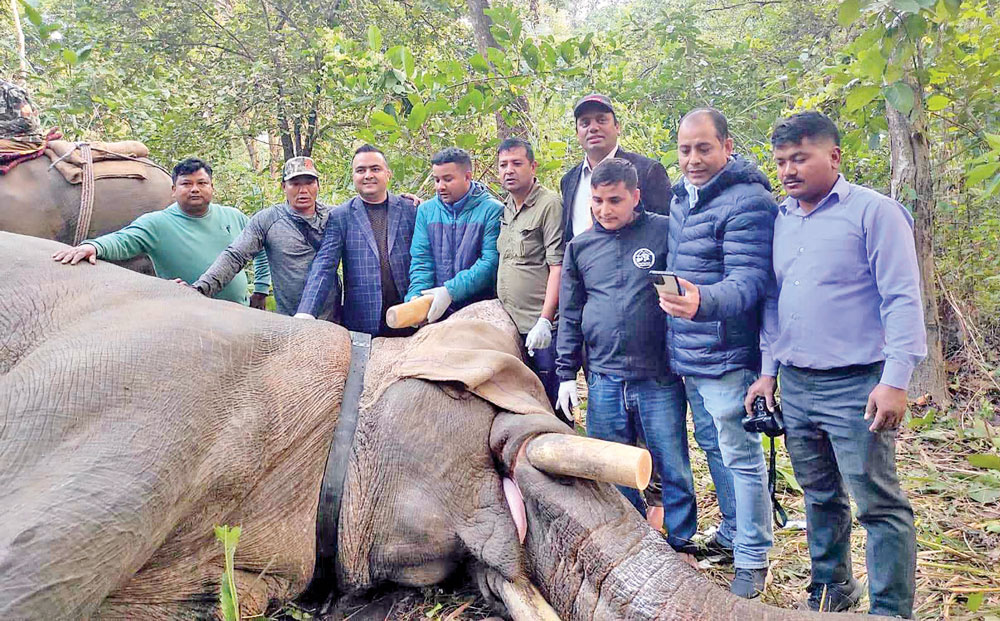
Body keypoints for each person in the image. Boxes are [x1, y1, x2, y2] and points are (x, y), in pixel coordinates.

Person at [746, 111, 925, 617]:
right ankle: (831, 591)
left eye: (800, 158)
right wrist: (768, 373)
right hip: (798, 384)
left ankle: (890, 610)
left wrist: (895, 381)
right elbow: (775, 304)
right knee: (820, 495)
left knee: (878, 505)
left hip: (858, 384)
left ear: (834, 156)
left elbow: (902, 300)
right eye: (781, 161)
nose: (788, 170)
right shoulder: (783, 220)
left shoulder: (875, 213)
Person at [658, 108, 776, 598]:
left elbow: (750, 282)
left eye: (704, 148)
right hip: (691, 355)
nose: (693, 159)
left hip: (727, 354)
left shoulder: (748, 203)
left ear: (727, 146)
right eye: (685, 149)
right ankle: (731, 534)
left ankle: (753, 558)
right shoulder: (683, 198)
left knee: (742, 457)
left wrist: (702, 302)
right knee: (717, 452)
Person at [555, 158, 690, 558]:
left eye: (614, 200)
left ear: (635, 196)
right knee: (615, 466)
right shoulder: (580, 247)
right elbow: (571, 312)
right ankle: (629, 542)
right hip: (603, 377)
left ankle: (681, 541)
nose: (604, 209)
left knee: (672, 462)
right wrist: (566, 373)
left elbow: (685, 290)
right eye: (597, 200)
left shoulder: (664, 232)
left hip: (657, 375)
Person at [52, 157, 270, 308]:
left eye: (202, 183)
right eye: (186, 184)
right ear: (174, 191)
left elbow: (261, 249)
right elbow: (123, 240)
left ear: (212, 187)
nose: (195, 189)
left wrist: (261, 289)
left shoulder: (234, 216)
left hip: (241, 313)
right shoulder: (156, 223)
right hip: (191, 315)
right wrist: (94, 246)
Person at [192, 156, 338, 319]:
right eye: (295, 184)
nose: (303, 190)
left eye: (309, 183)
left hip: (335, 319)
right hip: (290, 320)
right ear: (284, 186)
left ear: (318, 185)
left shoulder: (335, 217)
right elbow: (235, 255)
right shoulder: (268, 220)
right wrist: (201, 288)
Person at [295, 145, 417, 336]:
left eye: (375, 169)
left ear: (388, 174)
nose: (368, 175)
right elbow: (324, 266)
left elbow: (427, 257)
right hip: (363, 322)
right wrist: (306, 312)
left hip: (409, 316)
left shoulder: (410, 209)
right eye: (361, 170)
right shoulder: (341, 216)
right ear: (353, 176)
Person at [495, 137, 564, 410]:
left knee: (551, 407)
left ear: (533, 166)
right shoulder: (507, 207)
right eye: (503, 165)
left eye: (516, 163)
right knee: (522, 406)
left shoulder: (549, 205)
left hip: (542, 330)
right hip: (513, 328)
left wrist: (545, 320)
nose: (509, 170)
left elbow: (557, 266)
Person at [404, 147, 502, 323]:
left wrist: (450, 291)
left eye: (448, 179)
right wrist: (416, 297)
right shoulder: (426, 211)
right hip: (436, 311)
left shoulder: (492, 210)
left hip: (480, 312)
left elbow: (490, 262)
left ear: (467, 176)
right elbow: (421, 260)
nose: (440, 186)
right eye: (436, 180)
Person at [559, 93, 672, 245]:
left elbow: (666, 231)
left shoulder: (647, 171)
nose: (593, 128)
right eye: (585, 123)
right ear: (577, 133)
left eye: (601, 120)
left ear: (617, 127)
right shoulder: (569, 180)